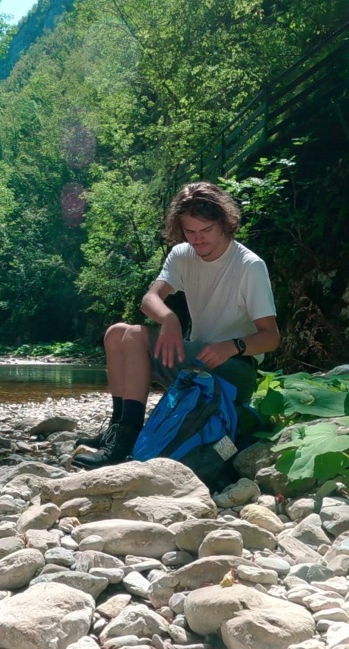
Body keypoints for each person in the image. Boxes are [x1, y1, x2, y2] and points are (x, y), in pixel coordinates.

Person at [74, 181, 280, 468]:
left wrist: (233, 346)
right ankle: (117, 427)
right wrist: (169, 318)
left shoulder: (249, 266)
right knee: (115, 333)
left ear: (224, 223)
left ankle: (126, 440)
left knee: (134, 334)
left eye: (206, 230)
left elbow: (271, 337)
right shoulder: (183, 255)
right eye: (189, 231)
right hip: (195, 362)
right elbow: (150, 298)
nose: (197, 240)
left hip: (233, 371)